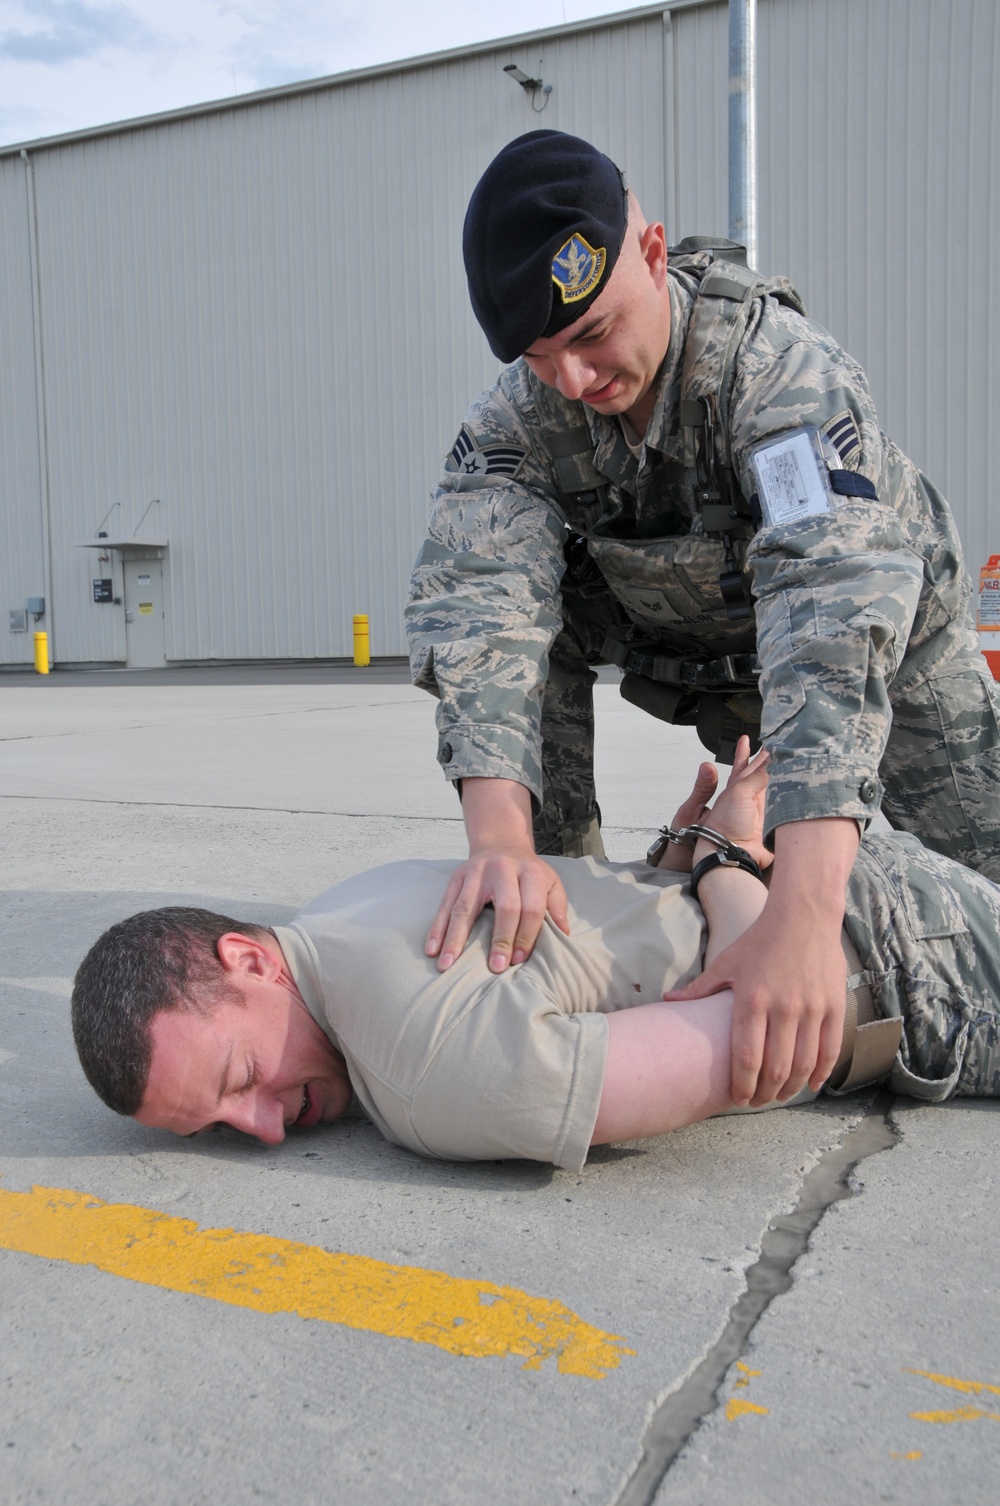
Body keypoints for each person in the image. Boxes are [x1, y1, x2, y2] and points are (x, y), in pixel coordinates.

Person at [404, 128, 1000, 1113]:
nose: (573, 381)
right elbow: (482, 619)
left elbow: (829, 615)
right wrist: (499, 848)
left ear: (652, 253)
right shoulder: (514, 423)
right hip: (689, 642)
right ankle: (563, 894)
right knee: (517, 646)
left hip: (877, 642)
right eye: (539, 355)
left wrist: (804, 922)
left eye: (591, 335)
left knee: (980, 880)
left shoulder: (772, 373)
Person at [71, 742, 1000, 1170]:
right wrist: (699, 854)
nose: (265, 1129)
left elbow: (776, 1034)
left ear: (245, 959)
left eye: (240, 1077)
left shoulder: (427, 1072)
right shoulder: (346, 905)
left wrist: (722, 858)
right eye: (222, 1129)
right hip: (834, 886)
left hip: (910, 964)